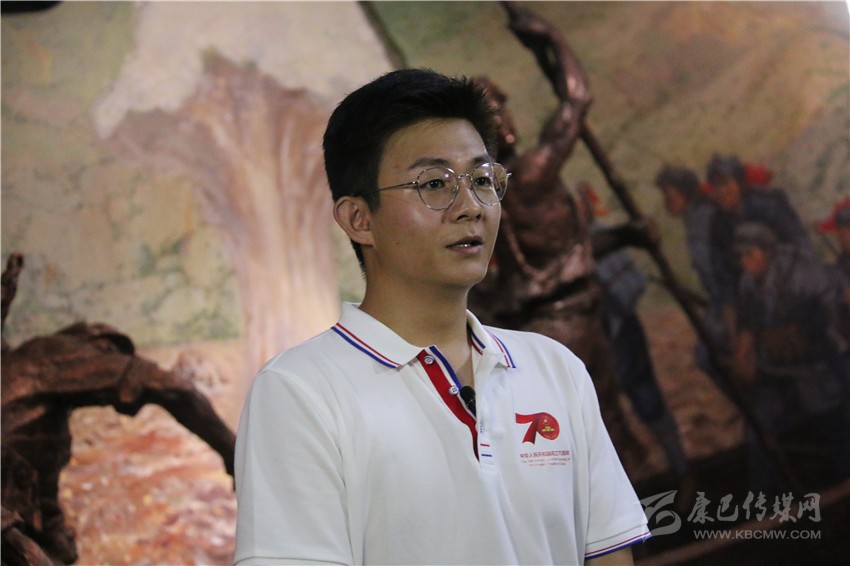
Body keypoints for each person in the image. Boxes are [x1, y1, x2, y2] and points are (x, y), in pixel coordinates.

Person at [234, 68, 650, 565]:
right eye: (434, 183)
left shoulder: (555, 369)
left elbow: (608, 556)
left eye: (482, 180)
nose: (470, 207)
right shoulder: (300, 392)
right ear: (359, 219)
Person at [467, 1, 648, 473]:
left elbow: (553, 258)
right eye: (493, 115)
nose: (505, 120)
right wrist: (551, 38)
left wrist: (626, 236)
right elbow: (577, 99)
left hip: (543, 326)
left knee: (593, 431)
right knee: (604, 434)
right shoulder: (532, 172)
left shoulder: (478, 196)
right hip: (568, 323)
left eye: (503, 109)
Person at [730, 222, 850, 492]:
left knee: (836, 427)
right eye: (741, 256)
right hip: (776, 373)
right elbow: (747, 325)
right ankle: (768, 501)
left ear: (767, 252)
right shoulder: (748, 282)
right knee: (759, 432)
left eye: (750, 254)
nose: (745, 262)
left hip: (817, 368)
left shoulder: (802, 272)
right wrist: (743, 355)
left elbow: (835, 313)